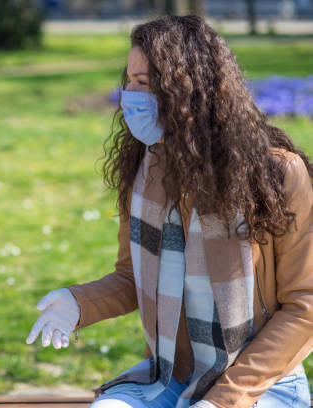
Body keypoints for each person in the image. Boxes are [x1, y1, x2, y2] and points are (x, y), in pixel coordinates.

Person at [26, 15, 313, 408]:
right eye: (129, 80)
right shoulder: (144, 168)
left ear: (189, 91)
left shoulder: (278, 174)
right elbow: (133, 277)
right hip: (170, 377)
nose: (129, 95)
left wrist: (224, 399)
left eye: (143, 84)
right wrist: (77, 303)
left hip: (262, 383)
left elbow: (304, 307)